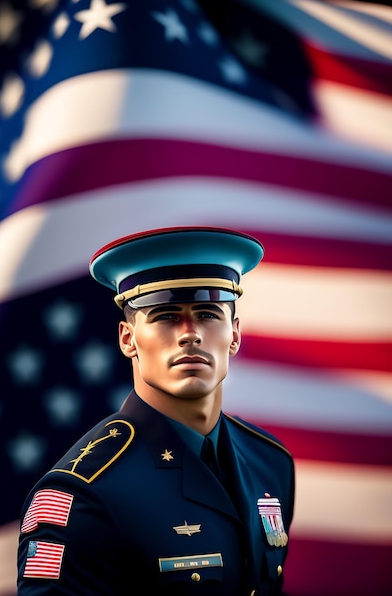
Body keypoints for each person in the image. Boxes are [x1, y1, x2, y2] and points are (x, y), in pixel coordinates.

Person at [17, 226, 295, 596]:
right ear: (128, 339)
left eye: (208, 313)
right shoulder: (81, 493)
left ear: (235, 335)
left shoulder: (269, 461)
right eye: (165, 316)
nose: (189, 333)